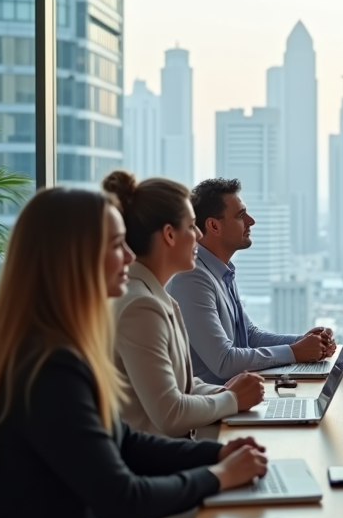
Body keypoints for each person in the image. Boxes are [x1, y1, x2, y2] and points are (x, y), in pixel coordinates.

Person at [0, 187, 266, 518]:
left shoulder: (53, 344)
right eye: (117, 246)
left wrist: (216, 453)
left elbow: (125, 442)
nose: (129, 255)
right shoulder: (48, 367)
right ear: (75, 259)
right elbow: (122, 499)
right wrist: (217, 477)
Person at [103, 171, 264, 439]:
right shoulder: (140, 306)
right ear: (169, 235)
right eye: (191, 226)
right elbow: (170, 415)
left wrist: (225, 393)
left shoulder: (155, 295)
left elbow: (182, 386)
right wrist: (233, 399)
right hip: (152, 465)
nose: (199, 234)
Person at [168, 177, 335, 382]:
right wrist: (295, 351)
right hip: (213, 408)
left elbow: (250, 336)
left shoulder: (220, 271)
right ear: (213, 225)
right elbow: (224, 361)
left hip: (232, 400)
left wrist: (306, 342)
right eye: (240, 215)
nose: (251, 220)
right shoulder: (192, 279)